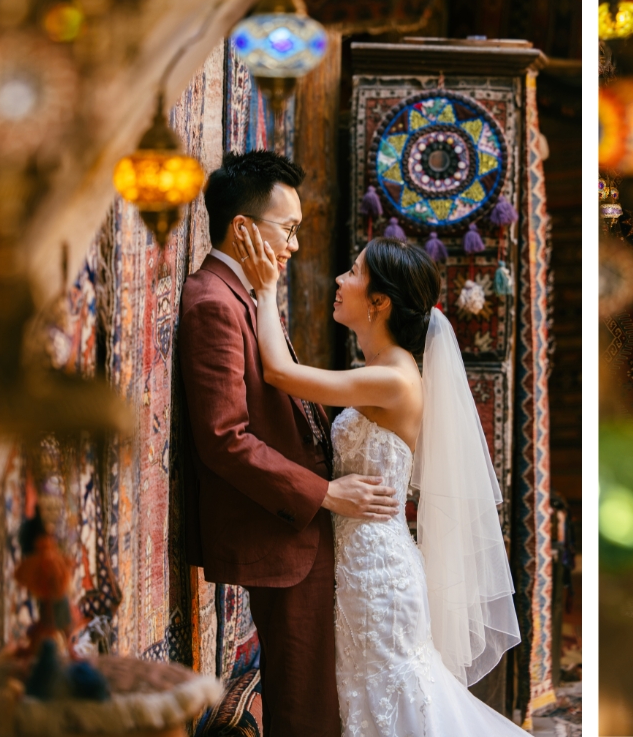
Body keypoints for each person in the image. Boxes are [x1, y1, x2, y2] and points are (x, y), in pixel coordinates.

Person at [235, 225, 527, 737]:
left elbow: (278, 373)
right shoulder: (380, 368)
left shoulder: (392, 378)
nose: (338, 279)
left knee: (387, 698)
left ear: (379, 302)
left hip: (376, 572)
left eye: (352, 272)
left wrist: (266, 287)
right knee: (365, 698)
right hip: (359, 561)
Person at [179, 151, 396, 736]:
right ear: (245, 228)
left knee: (318, 695)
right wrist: (324, 493)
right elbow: (224, 439)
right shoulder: (213, 304)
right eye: (290, 229)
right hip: (285, 525)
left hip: (303, 528)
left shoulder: (246, 294)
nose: (295, 246)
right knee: (304, 705)